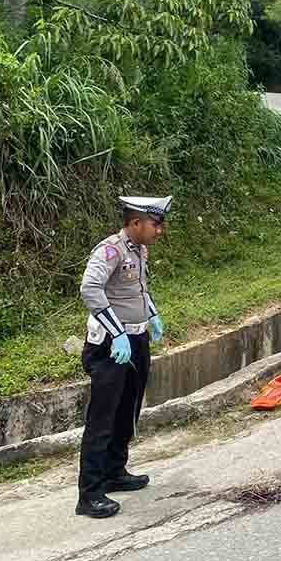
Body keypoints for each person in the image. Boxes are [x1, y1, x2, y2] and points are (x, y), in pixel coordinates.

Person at [76, 195, 171, 519]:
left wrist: (152, 315)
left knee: (127, 410)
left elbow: (138, 290)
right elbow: (90, 289)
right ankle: (89, 494)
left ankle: (115, 471)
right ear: (135, 223)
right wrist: (117, 332)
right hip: (110, 347)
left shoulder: (139, 250)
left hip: (136, 339)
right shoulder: (110, 250)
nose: (159, 230)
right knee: (101, 420)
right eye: (155, 224)